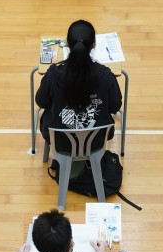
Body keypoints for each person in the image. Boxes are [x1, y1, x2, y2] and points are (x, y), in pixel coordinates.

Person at [35, 19, 123, 156]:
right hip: (97, 141)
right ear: (93, 45)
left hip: (60, 141)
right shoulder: (106, 75)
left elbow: (41, 102)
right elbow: (114, 106)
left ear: (68, 44)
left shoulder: (53, 74)